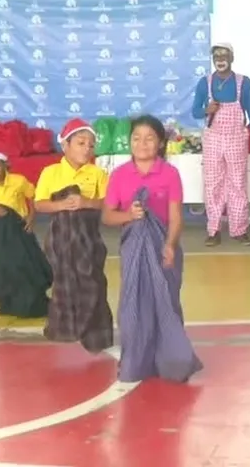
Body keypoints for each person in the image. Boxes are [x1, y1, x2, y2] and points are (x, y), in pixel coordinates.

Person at [102, 115, 203, 383]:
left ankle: (172, 360)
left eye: (149, 138)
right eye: (136, 138)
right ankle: (137, 361)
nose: (142, 143)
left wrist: (170, 245)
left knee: (166, 303)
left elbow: (176, 217)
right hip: (133, 251)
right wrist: (129, 216)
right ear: (129, 142)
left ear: (160, 143)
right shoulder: (120, 175)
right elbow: (108, 217)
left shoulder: (169, 174)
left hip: (163, 249)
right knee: (133, 305)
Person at [34, 118, 112, 353]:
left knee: (93, 281)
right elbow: (40, 204)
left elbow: (108, 204)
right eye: (80, 143)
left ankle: (96, 333)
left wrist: (85, 202)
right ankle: (64, 329)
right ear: (65, 145)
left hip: (88, 236)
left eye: (91, 144)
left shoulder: (98, 173)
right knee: (64, 281)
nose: (87, 148)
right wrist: (62, 205)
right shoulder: (51, 172)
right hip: (61, 236)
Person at [190, 42, 250, 247]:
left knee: (238, 184)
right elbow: (195, 111)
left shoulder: (243, 82)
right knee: (213, 185)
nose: (220, 59)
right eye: (216, 55)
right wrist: (207, 109)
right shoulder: (205, 83)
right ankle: (213, 230)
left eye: (224, 55)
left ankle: (239, 230)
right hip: (213, 138)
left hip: (236, 138)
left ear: (232, 57)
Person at [0, 142, 50, 318]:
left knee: (22, 264)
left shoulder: (18, 181)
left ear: (5, 165)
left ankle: (31, 302)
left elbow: (32, 197)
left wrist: (31, 216)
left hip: (17, 228)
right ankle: (8, 303)